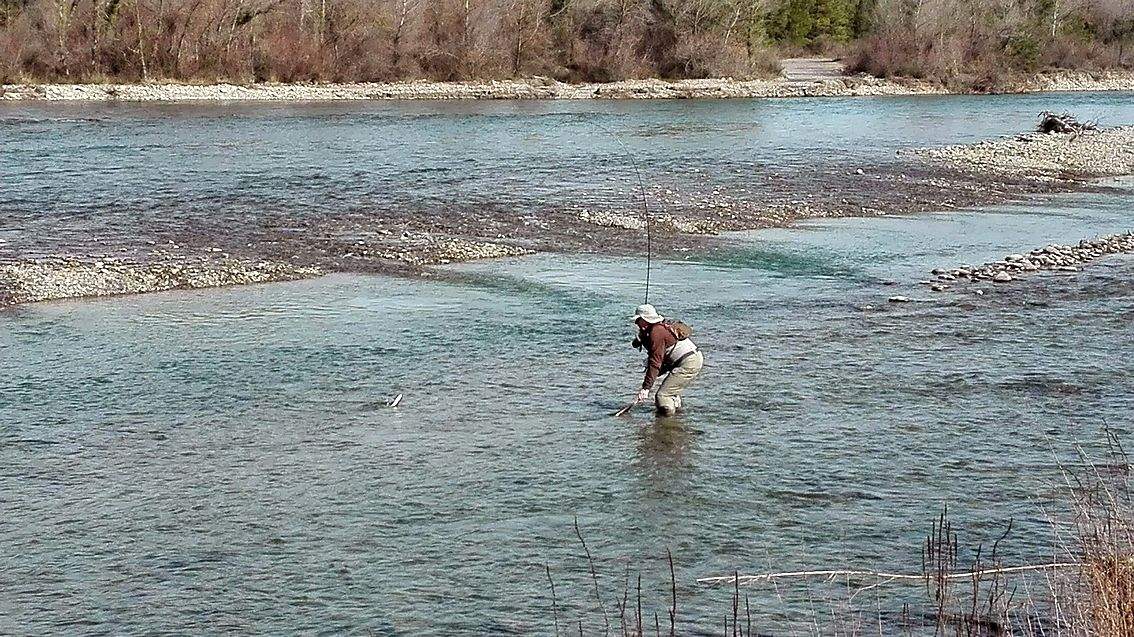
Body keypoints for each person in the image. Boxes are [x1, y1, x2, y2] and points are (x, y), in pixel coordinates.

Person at [631, 304, 703, 416]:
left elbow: (655, 363)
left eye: (638, 320)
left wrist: (646, 388)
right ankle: (677, 414)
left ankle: (667, 425)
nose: (636, 323)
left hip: (688, 363)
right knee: (670, 390)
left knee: (662, 396)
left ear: (645, 320)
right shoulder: (658, 328)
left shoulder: (656, 333)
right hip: (690, 358)